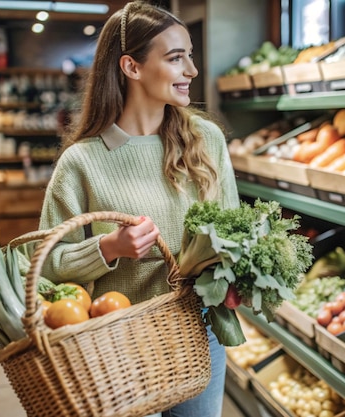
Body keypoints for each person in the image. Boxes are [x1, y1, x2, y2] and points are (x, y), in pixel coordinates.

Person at [37, 1, 239, 416]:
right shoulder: (82, 162)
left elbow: (234, 229)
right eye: (175, 58)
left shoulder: (207, 140)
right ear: (131, 67)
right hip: (116, 346)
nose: (192, 71)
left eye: (191, 56)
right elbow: (44, 266)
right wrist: (107, 248)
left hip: (198, 335)